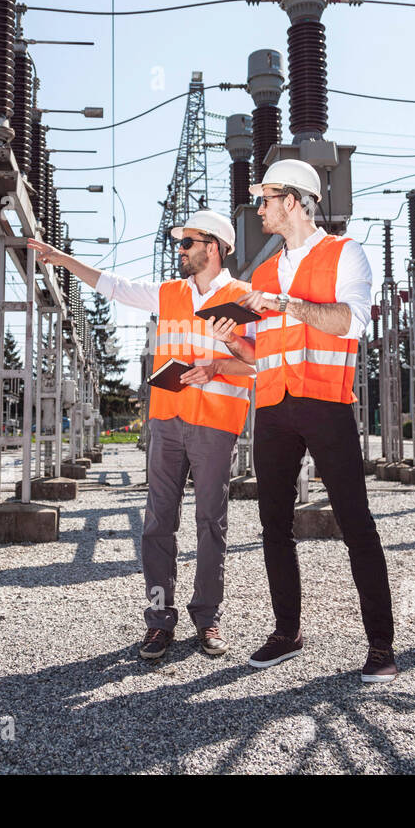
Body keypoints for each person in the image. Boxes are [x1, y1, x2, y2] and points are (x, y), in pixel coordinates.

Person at [27, 211, 256, 660]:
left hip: (216, 422)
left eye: (188, 243)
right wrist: (61, 259)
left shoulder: (244, 297)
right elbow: (113, 285)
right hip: (167, 421)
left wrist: (220, 360)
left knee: (211, 523)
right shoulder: (169, 294)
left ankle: (207, 619)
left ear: (214, 246)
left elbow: (258, 363)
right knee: (157, 524)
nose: (181, 250)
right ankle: (158, 621)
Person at [213, 158, 398, 683]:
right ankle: (287, 632)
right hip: (272, 407)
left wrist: (286, 303)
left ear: (294, 201)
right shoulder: (264, 274)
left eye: (267, 198)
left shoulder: (345, 254)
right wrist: (234, 340)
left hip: (325, 403)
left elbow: (349, 322)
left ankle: (380, 646)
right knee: (273, 524)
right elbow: (261, 352)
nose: (260, 208)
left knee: (356, 523)